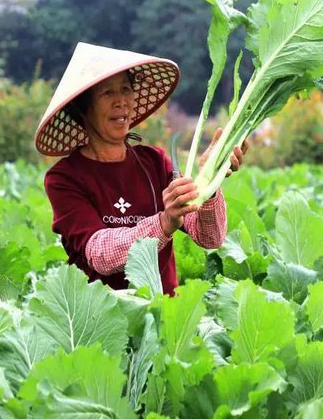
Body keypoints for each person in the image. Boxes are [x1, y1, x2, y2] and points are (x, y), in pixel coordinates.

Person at [36, 43, 246, 296]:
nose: (121, 101)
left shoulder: (154, 162)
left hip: (161, 311)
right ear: (82, 108)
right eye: (107, 93)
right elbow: (99, 254)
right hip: (97, 319)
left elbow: (209, 237)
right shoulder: (64, 178)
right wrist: (165, 222)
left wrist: (209, 182)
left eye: (126, 89)